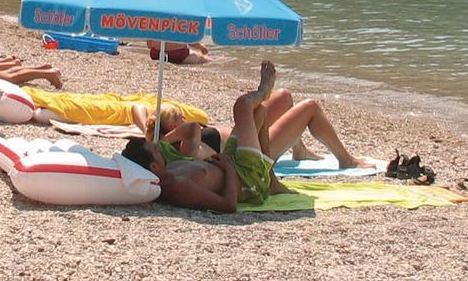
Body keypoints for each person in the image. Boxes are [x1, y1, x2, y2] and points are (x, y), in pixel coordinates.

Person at [119, 62, 375, 213]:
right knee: (248, 104)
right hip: (243, 174)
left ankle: (278, 173)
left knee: (262, 109)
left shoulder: (170, 164)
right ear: (154, 165)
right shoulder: (176, 177)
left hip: (236, 159)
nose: (158, 148)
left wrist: (156, 138)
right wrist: (229, 169)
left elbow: (142, 114)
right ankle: (263, 92)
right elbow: (228, 205)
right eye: (178, 117)